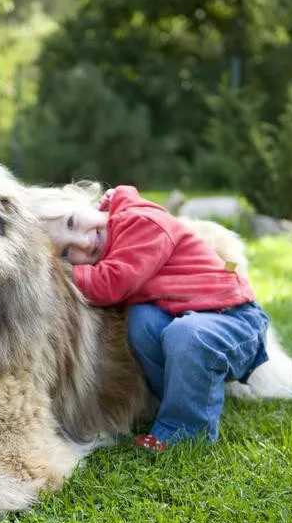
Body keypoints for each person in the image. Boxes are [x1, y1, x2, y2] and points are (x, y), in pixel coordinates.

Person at [37, 185, 269, 451]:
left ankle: (188, 430)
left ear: (85, 201)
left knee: (188, 336)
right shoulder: (116, 235)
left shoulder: (140, 223)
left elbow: (112, 283)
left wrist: (64, 272)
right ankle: (182, 399)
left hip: (233, 317)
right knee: (142, 321)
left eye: (72, 222)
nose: (83, 241)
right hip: (195, 315)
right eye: (67, 252)